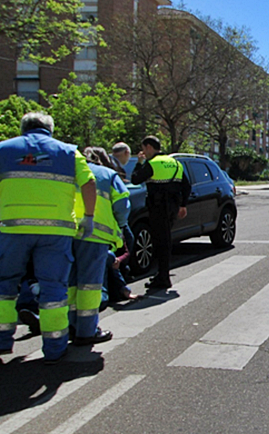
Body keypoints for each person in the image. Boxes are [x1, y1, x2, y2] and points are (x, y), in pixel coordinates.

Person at [0, 112, 96, 364]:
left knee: (4, 286)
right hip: (56, 231)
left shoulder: (4, 149)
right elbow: (89, 182)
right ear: (50, 130)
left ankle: (1, 341)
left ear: (23, 129)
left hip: (12, 228)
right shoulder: (68, 152)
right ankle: (54, 347)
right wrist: (88, 216)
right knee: (54, 288)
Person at [67, 147, 129, 346]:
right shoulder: (108, 174)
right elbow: (122, 204)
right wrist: (119, 225)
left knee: (71, 283)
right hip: (95, 235)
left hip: (65, 234)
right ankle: (87, 331)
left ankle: (70, 325)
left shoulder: (67, 171)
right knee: (90, 285)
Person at [131, 136, 190, 290]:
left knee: (161, 243)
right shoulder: (176, 163)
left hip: (158, 208)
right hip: (172, 208)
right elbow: (186, 186)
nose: (143, 152)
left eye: (144, 149)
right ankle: (161, 275)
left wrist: (139, 164)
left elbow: (135, 180)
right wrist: (183, 205)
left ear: (149, 147)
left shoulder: (152, 164)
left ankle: (163, 277)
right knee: (166, 240)